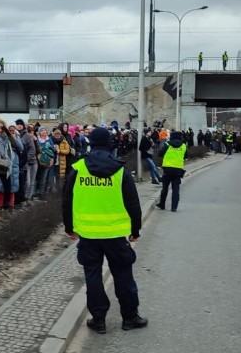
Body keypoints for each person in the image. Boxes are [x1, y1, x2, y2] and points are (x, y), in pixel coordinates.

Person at [61, 126, 146, 334]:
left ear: (91, 143)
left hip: (88, 234)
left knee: (93, 276)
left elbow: (67, 200)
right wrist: (136, 229)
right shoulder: (120, 170)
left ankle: (98, 320)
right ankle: (130, 317)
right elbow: (133, 204)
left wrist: (69, 227)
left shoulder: (78, 167)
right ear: (110, 144)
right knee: (123, 275)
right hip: (116, 234)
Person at [157, 131, 188, 212]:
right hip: (178, 170)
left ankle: (162, 204)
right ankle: (174, 207)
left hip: (167, 169)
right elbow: (186, 156)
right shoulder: (184, 146)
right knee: (176, 189)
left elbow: (160, 154)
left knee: (165, 188)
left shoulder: (167, 144)